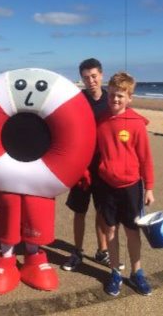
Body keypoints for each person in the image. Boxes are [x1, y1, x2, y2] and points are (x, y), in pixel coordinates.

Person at [93, 72, 155, 297]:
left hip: (131, 186)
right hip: (106, 185)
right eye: (112, 95)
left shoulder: (136, 124)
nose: (115, 99)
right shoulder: (100, 120)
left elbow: (146, 158)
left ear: (129, 98)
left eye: (120, 96)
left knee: (132, 231)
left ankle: (137, 272)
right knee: (110, 230)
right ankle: (115, 273)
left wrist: (149, 188)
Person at [61, 58, 114, 274]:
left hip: (103, 166)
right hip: (81, 165)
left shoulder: (111, 100)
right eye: (86, 77)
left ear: (101, 75)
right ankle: (77, 251)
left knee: (101, 211)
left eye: (94, 76)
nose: (90, 81)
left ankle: (102, 251)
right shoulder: (78, 100)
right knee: (79, 211)